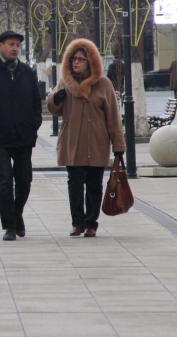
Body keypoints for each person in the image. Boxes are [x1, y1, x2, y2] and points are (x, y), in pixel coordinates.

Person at [47, 38, 126, 238]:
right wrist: (55, 99)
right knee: (74, 183)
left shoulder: (103, 84)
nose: (76, 62)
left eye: (81, 59)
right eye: (73, 58)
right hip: (72, 142)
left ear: (90, 61)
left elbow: (113, 118)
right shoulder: (65, 81)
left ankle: (91, 223)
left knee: (94, 184)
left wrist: (119, 145)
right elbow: (53, 108)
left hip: (96, 143)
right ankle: (77, 223)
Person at [0, 31, 42, 241]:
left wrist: (33, 124)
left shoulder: (27, 72)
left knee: (24, 181)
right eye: (11, 44)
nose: (15, 48)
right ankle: (10, 226)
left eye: (17, 45)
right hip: (0, 137)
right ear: (0, 46)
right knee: (4, 182)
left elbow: (35, 103)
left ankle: (17, 214)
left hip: (23, 135)